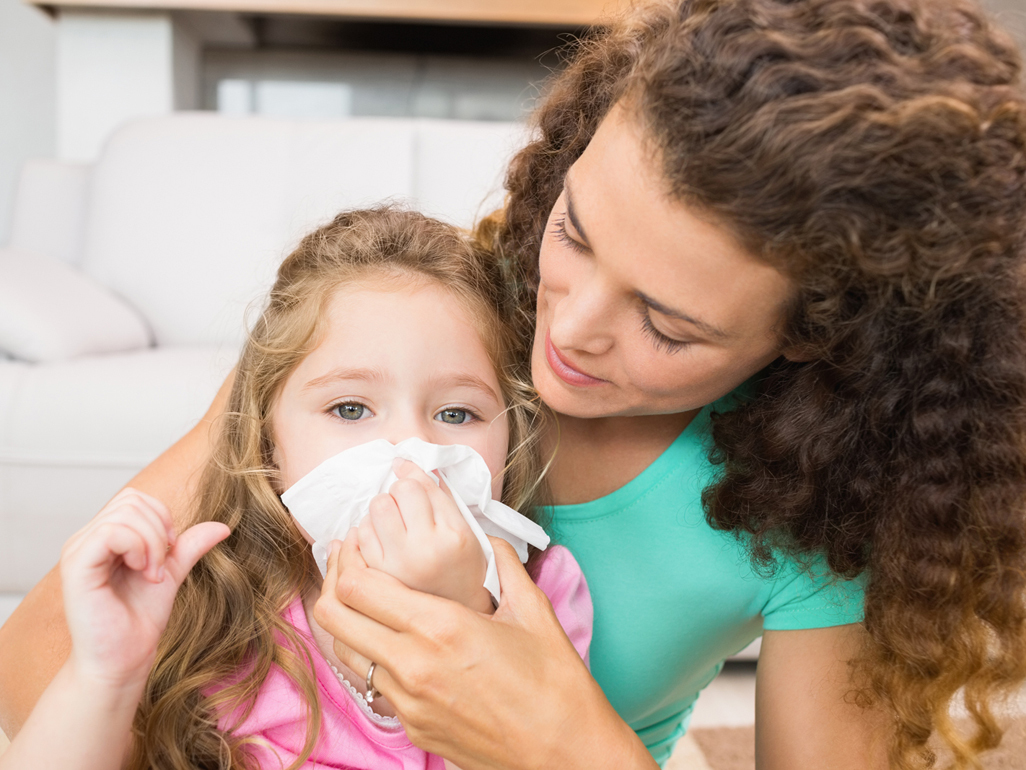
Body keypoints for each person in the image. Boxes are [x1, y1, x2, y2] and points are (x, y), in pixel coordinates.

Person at [3, 0, 1026, 767]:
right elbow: (28, 681)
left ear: (818, 334)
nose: (567, 329)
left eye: (666, 323)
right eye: (573, 229)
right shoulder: (407, 323)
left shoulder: (820, 524)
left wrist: (562, 738)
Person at [0, 207, 592, 770]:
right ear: (267, 442)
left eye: (457, 414)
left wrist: (467, 614)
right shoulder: (211, 594)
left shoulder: (540, 601)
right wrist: (104, 675)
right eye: (352, 408)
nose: (407, 453)